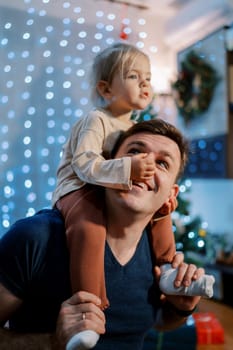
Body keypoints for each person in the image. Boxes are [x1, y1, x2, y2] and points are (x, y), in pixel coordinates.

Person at [0, 119, 207, 350]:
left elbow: (152, 322)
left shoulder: (158, 255)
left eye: (162, 163)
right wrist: (52, 342)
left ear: (171, 194)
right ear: (108, 167)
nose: (144, 164)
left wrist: (181, 308)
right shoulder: (34, 237)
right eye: (135, 151)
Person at [52, 43, 177, 333]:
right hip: (79, 188)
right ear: (106, 90)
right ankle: (88, 309)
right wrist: (128, 168)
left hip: (105, 186)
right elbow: (84, 163)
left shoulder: (132, 126)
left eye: (147, 77)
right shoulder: (96, 120)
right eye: (134, 76)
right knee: (90, 226)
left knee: (160, 211)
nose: (145, 83)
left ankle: (169, 269)